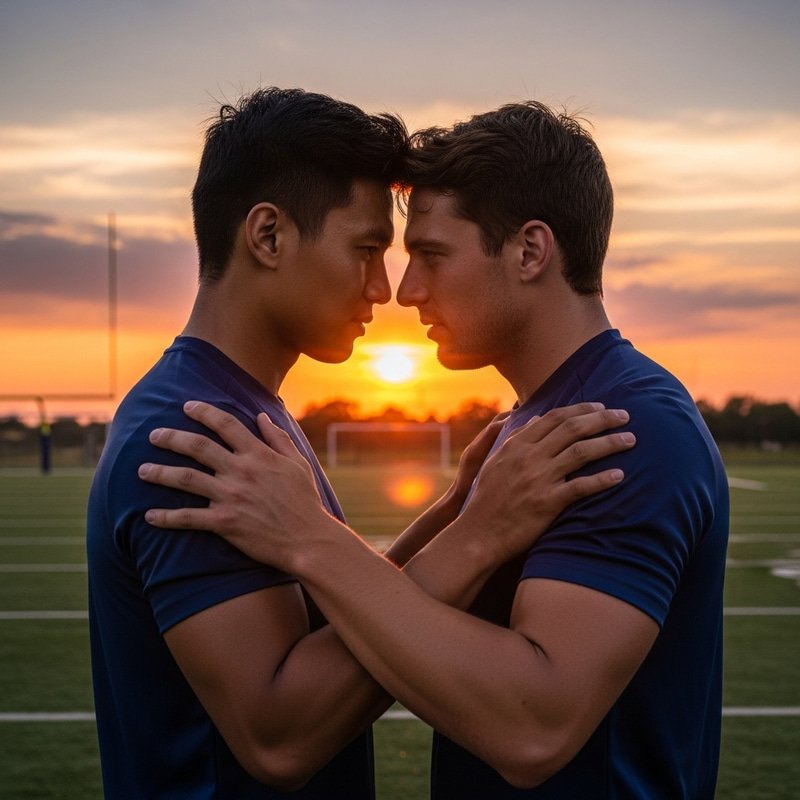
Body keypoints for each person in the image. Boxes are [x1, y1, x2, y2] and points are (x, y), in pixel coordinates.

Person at [140, 100, 729, 799]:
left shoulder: (622, 428)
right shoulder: (541, 421)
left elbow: (534, 728)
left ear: (530, 251)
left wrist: (315, 541)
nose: (405, 290)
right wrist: (455, 517)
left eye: (431, 255)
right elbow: (368, 630)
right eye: (383, 252)